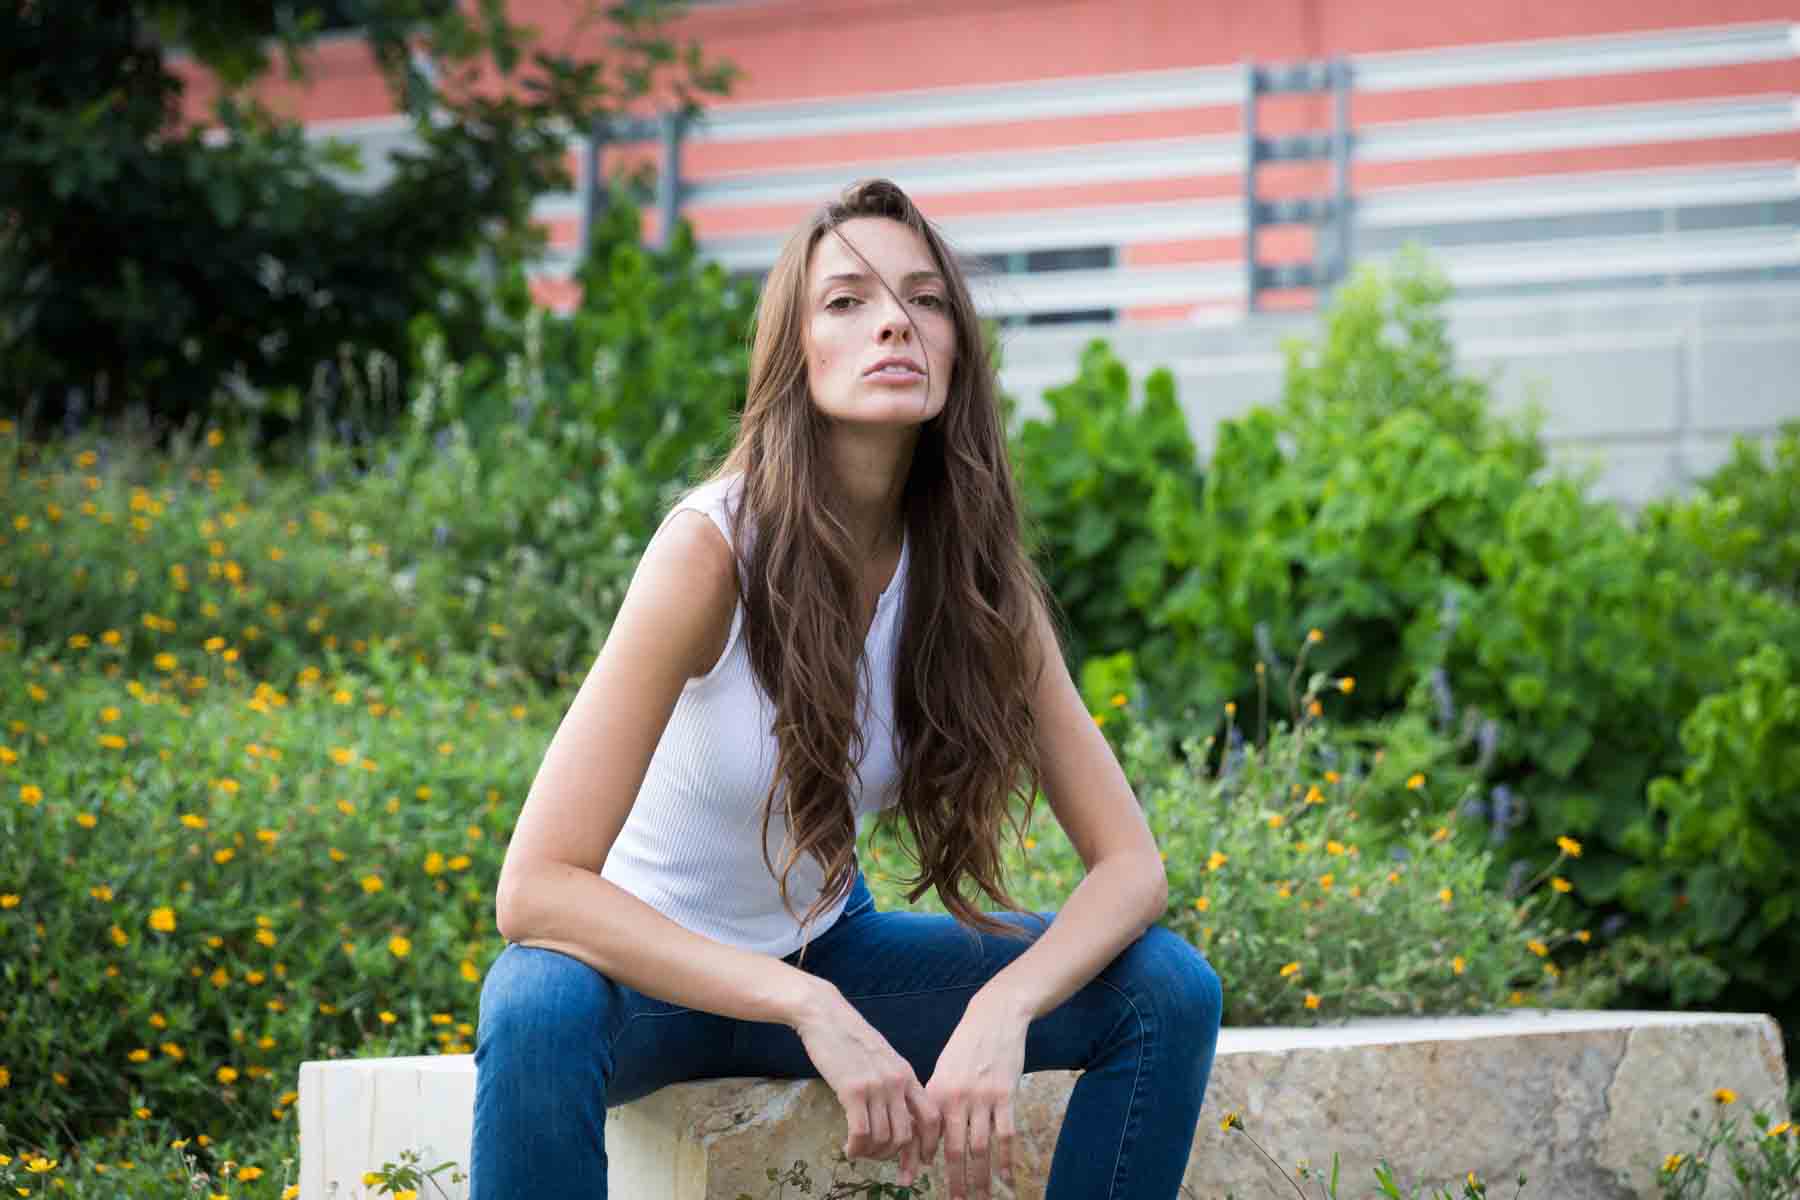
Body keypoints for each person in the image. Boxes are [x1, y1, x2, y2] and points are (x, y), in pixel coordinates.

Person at [470, 177, 1223, 1200]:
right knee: (534, 1005)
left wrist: (1001, 1009)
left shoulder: (971, 574)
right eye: (847, 302)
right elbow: (537, 888)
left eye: (923, 300)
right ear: (797, 352)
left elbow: (1130, 868)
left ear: (956, 347)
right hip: (641, 978)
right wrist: (803, 1006)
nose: (893, 326)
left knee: (1165, 990)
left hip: (826, 947)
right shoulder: (710, 553)